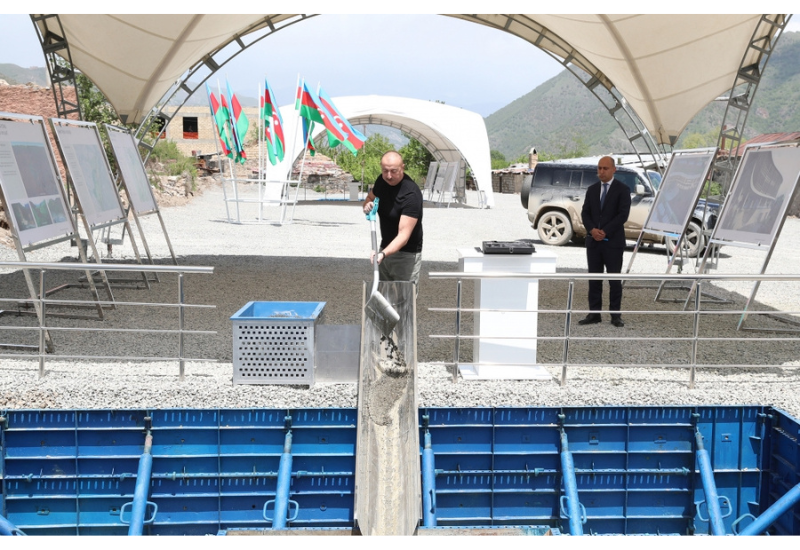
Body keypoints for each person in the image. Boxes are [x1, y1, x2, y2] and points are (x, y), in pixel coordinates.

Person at [578, 156, 632, 327]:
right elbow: (585, 213)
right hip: (594, 242)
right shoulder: (592, 190)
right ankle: (594, 314)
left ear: (614, 170)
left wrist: (605, 231)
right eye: (599, 168)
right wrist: (592, 230)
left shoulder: (622, 190)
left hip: (613, 243)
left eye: (605, 168)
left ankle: (615, 315)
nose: (601, 171)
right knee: (594, 279)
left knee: (614, 280)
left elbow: (622, 215)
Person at [362, 151, 423, 288]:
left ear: (402, 167)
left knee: (404, 298)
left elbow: (403, 236)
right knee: (383, 294)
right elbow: (369, 198)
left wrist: (383, 254)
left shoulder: (411, 194)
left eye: (394, 171)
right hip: (384, 249)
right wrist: (367, 205)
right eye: (385, 171)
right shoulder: (381, 181)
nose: (389, 176)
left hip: (406, 255)